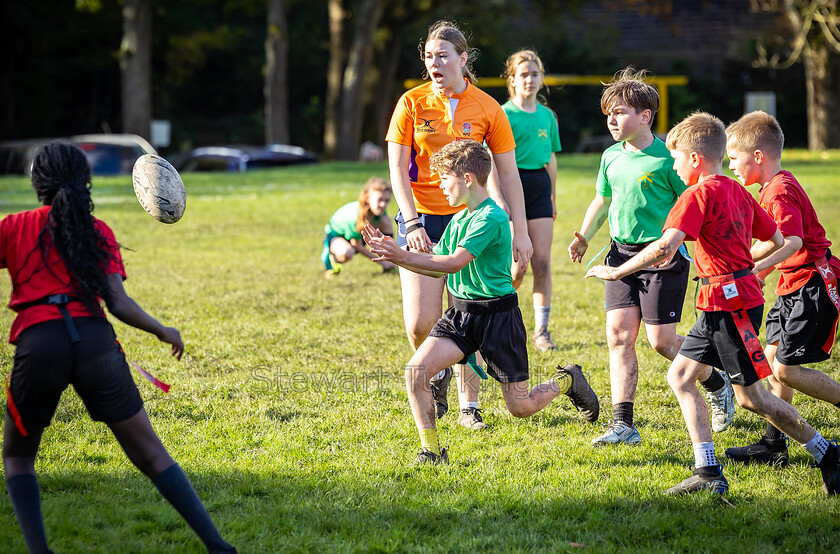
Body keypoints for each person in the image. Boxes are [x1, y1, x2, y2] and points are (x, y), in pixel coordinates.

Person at [586, 112, 840, 496]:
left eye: (675, 158)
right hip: (720, 301)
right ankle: (707, 472)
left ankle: (827, 454)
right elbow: (775, 239)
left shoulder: (696, 195)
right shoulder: (737, 191)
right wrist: (737, 263)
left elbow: (664, 247)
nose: (672, 165)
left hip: (729, 305)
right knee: (681, 377)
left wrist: (617, 272)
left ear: (694, 160)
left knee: (753, 398)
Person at [1, 142, 236, 553]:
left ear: (38, 183)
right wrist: (162, 330)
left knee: (19, 459)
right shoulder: (97, 231)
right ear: (84, 182)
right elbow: (119, 303)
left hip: (40, 344)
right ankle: (218, 547)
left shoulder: (13, 227)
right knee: (151, 455)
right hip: (96, 345)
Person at [364, 139, 598, 464]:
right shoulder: (460, 219)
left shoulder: (491, 218)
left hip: (497, 318)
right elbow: (437, 259)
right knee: (416, 372)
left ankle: (569, 378)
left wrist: (399, 255)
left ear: (468, 179)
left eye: (444, 178)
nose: (440, 186)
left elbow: (452, 264)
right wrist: (394, 249)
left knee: (521, 407)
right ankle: (431, 451)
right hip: (460, 315)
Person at [568, 67, 735, 446]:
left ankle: (715, 378)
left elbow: (693, 201)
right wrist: (582, 236)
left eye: (620, 112)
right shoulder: (610, 156)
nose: (612, 119)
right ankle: (623, 424)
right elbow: (603, 199)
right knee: (618, 336)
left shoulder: (668, 159)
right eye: (608, 113)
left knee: (661, 342)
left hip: (661, 258)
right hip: (619, 256)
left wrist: (682, 246)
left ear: (645, 116)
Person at [386, 20, 533, 431]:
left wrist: (520, 230)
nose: (434, 63)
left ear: (463, 59)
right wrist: (411, 218)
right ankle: (438, 371)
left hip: (472, 220)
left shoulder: (488, 107)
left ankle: (470, 405)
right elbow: (397, 168)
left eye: (442, 55)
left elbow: (510, 174)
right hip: (421, 218)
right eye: (428, 56)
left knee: (469, 311)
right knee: (420, 321)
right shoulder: (411, 103)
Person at [723, 111, 840, 466]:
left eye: (733, 159)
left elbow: (789, 241)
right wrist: (750, 266)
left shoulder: (780, 191)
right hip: (793, 285)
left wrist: (750, 269)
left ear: (757, 156)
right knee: (772, 361)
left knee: (785, 369)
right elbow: (775, 244)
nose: (730, 167)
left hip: (813, 285)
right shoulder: (770, 188)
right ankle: (775, 445)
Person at [501, 49, 563, 351]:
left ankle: (541, 331)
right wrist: (500, 198)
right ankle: (502, 316)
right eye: (523, 74)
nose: (530, 79)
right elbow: (493, 159)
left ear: (541, 79)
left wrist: (551, 196)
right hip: (513, 187)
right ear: (512, 79)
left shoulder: (548, 116)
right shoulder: (503, 114)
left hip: (539, 187)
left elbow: (551, 159)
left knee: (542, 262)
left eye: (534, 74)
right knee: (518, 266)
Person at [321, 177, 396, 278]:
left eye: (386, 200)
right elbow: (356, 245)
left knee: (386, 221)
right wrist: (381, 262)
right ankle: (334, 260)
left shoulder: (380, 213)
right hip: (336, 237)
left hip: (359, 237)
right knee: (347, 252)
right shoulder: (355, 216)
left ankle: (389, 262)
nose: (383, 204)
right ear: (367, 198)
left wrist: (390, 258)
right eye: (379, 200)